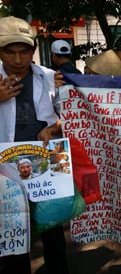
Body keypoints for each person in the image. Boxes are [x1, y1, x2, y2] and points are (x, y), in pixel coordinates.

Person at [0, 16, 67, 274]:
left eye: (24, 52)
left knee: (54, 231)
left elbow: (71, 114)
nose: (18, 60)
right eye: (10, 52)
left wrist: (53, 128)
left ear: (33, 50)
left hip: (50, 162)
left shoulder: (50, 77)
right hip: (7, 170)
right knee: (14, 234)